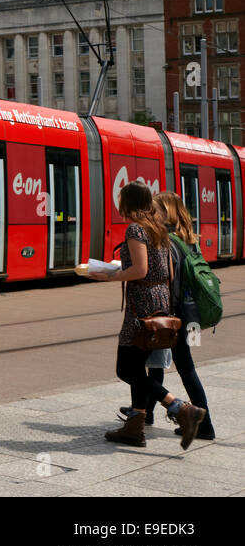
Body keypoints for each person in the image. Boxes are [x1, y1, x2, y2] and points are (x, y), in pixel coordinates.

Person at [79, 181, 206, 449]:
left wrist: (109, 276)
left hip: (142, 307)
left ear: (128, 202)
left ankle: (181, 409)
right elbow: (168, 273)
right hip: (159, 302)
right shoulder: (159, 228)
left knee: (126, 368)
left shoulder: (135, 228)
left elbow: (139, 270)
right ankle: (135, 427)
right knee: (137, 367)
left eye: (121, 199)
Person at [139, 191, 215, 440]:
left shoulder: (169, 241)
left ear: (167, 211)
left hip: (176, 313)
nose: (153, 213)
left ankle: (204, 424)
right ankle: (147, 412)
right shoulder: (189, 239)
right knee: (165, 362)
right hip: (192, 314)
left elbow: (166, 278)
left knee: (181, 366)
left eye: (156, 209)